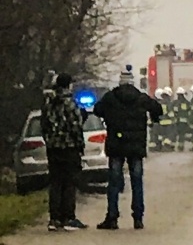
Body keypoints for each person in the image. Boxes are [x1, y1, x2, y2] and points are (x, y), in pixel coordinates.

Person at [93, 64, 165, 230]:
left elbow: (97, 110)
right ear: (133, 83)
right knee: (137, 182)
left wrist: (109, 116)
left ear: (119, 82)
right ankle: (138, 218)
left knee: (114, 182)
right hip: (136, 146)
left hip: (116, 145)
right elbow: (158, 109)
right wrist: (153, 118)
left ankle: (112, 217)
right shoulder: (141, 98)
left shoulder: (110, 97)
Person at [42, 72, 88, 231]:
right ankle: (69, 217)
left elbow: (44, 126)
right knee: (69, 182)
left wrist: (49, 141)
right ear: (69, 85)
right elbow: (76, 126)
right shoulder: (70, 103)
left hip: (53, 148)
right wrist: (80, 145)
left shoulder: (49, 103)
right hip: (69, 148)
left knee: (55, 183)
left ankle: (54, 219)